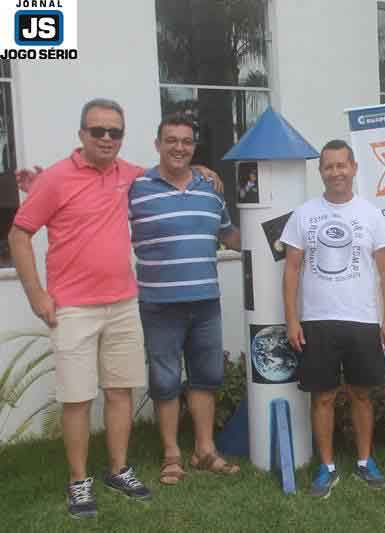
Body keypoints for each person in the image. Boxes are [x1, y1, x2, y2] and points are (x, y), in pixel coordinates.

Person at [9, 98, 152, 518]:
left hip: (123, 303)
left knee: (121, 391)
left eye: (115, 132)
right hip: (73, 308)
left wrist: (203, 171)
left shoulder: (129, 174)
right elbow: (19, 235)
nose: (107, 138)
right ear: (82, 134)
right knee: (76, 398)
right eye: (98, 130)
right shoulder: (55, 178)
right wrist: (37, 295)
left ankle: (118, 470)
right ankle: (78, 481)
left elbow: (167, 176)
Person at [128, 113, 242, 486]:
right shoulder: (137, 188)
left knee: (206, 379)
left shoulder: (210, 188)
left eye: (187, 141)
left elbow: (229, 235)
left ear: (194, 147)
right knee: (165, 381)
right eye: (171, 140)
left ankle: (205, 450)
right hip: (159, 304)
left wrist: (275, 237)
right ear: (157, 144)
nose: (179, 147)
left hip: (206, 302)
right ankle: (172, 454)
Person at [280, 139, 385, 498]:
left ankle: (364, 462)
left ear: (354, 168)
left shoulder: (371, 215)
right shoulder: (304, 214)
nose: (336, 172)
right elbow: (291, 270)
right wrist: (292, 320)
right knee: (323, 397)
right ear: (321, 172)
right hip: (317, 320)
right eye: (328, 166)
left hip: (362, 320)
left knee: (362, 394)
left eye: (342, 165)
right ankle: (326, 467)